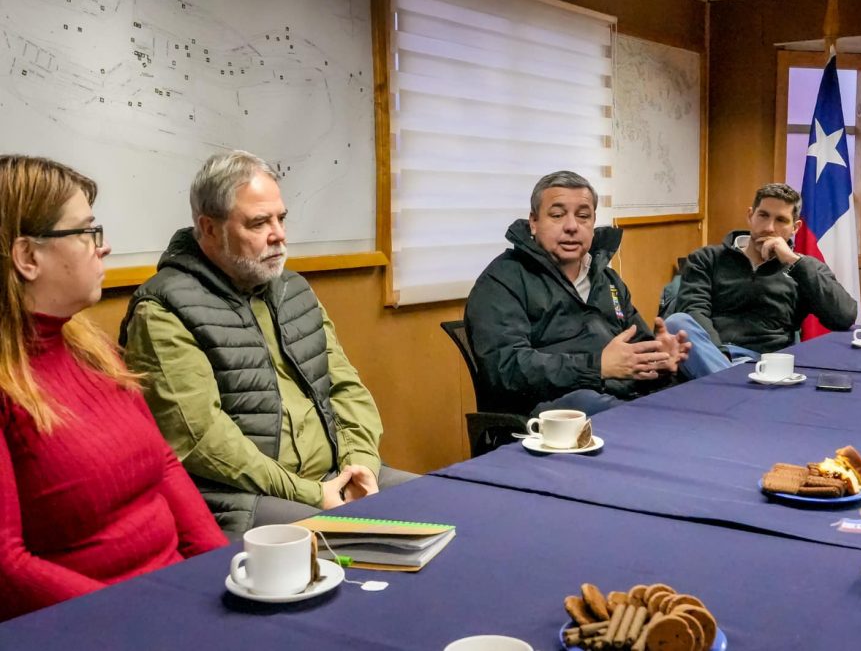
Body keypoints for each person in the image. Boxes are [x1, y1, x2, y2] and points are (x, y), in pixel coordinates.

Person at [120, 150, 413, 537]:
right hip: (245, 498)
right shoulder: (163, 308)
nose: (279, 234)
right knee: (365, 540)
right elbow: (201, 438)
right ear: (209, 228)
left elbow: (346, 387)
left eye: (281, 218)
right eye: (259, 223)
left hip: (335, 476)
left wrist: (360, 464)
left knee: (447, 506)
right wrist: (311, 492)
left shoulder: (293, 290)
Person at [0, 155, 226, 622]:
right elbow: (8, 566)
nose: (100, 248)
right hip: (97, 624)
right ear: (27, 257)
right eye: (85, 232)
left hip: (176, 600)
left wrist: (221, 572)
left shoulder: (89, 346)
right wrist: (141, 615)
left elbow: (162, 466)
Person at [464, 170, 691, 417]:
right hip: (547, 414)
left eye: (583, 216)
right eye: (557, 215)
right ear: (533, 222)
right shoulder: (503, 280)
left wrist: (659, 361)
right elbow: (506, 368)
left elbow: (634, 352)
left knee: (686, 399)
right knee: (596, 406)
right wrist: (598, 367)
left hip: (618, 398)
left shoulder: (607, 280)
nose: (572, 226)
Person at [668, 182, 858, 377]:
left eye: (781, 220)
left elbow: (843, 317)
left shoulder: (803, 267)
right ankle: (727, 379)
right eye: (763, 215)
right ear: (750, 216)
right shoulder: (707, 259)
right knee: (677, 321)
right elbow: (693, 311)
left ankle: (724, 383)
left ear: (795, 227)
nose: (769, 228)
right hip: (711, 354)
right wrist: (721, 358)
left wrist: (794, 262)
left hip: (765, 364)